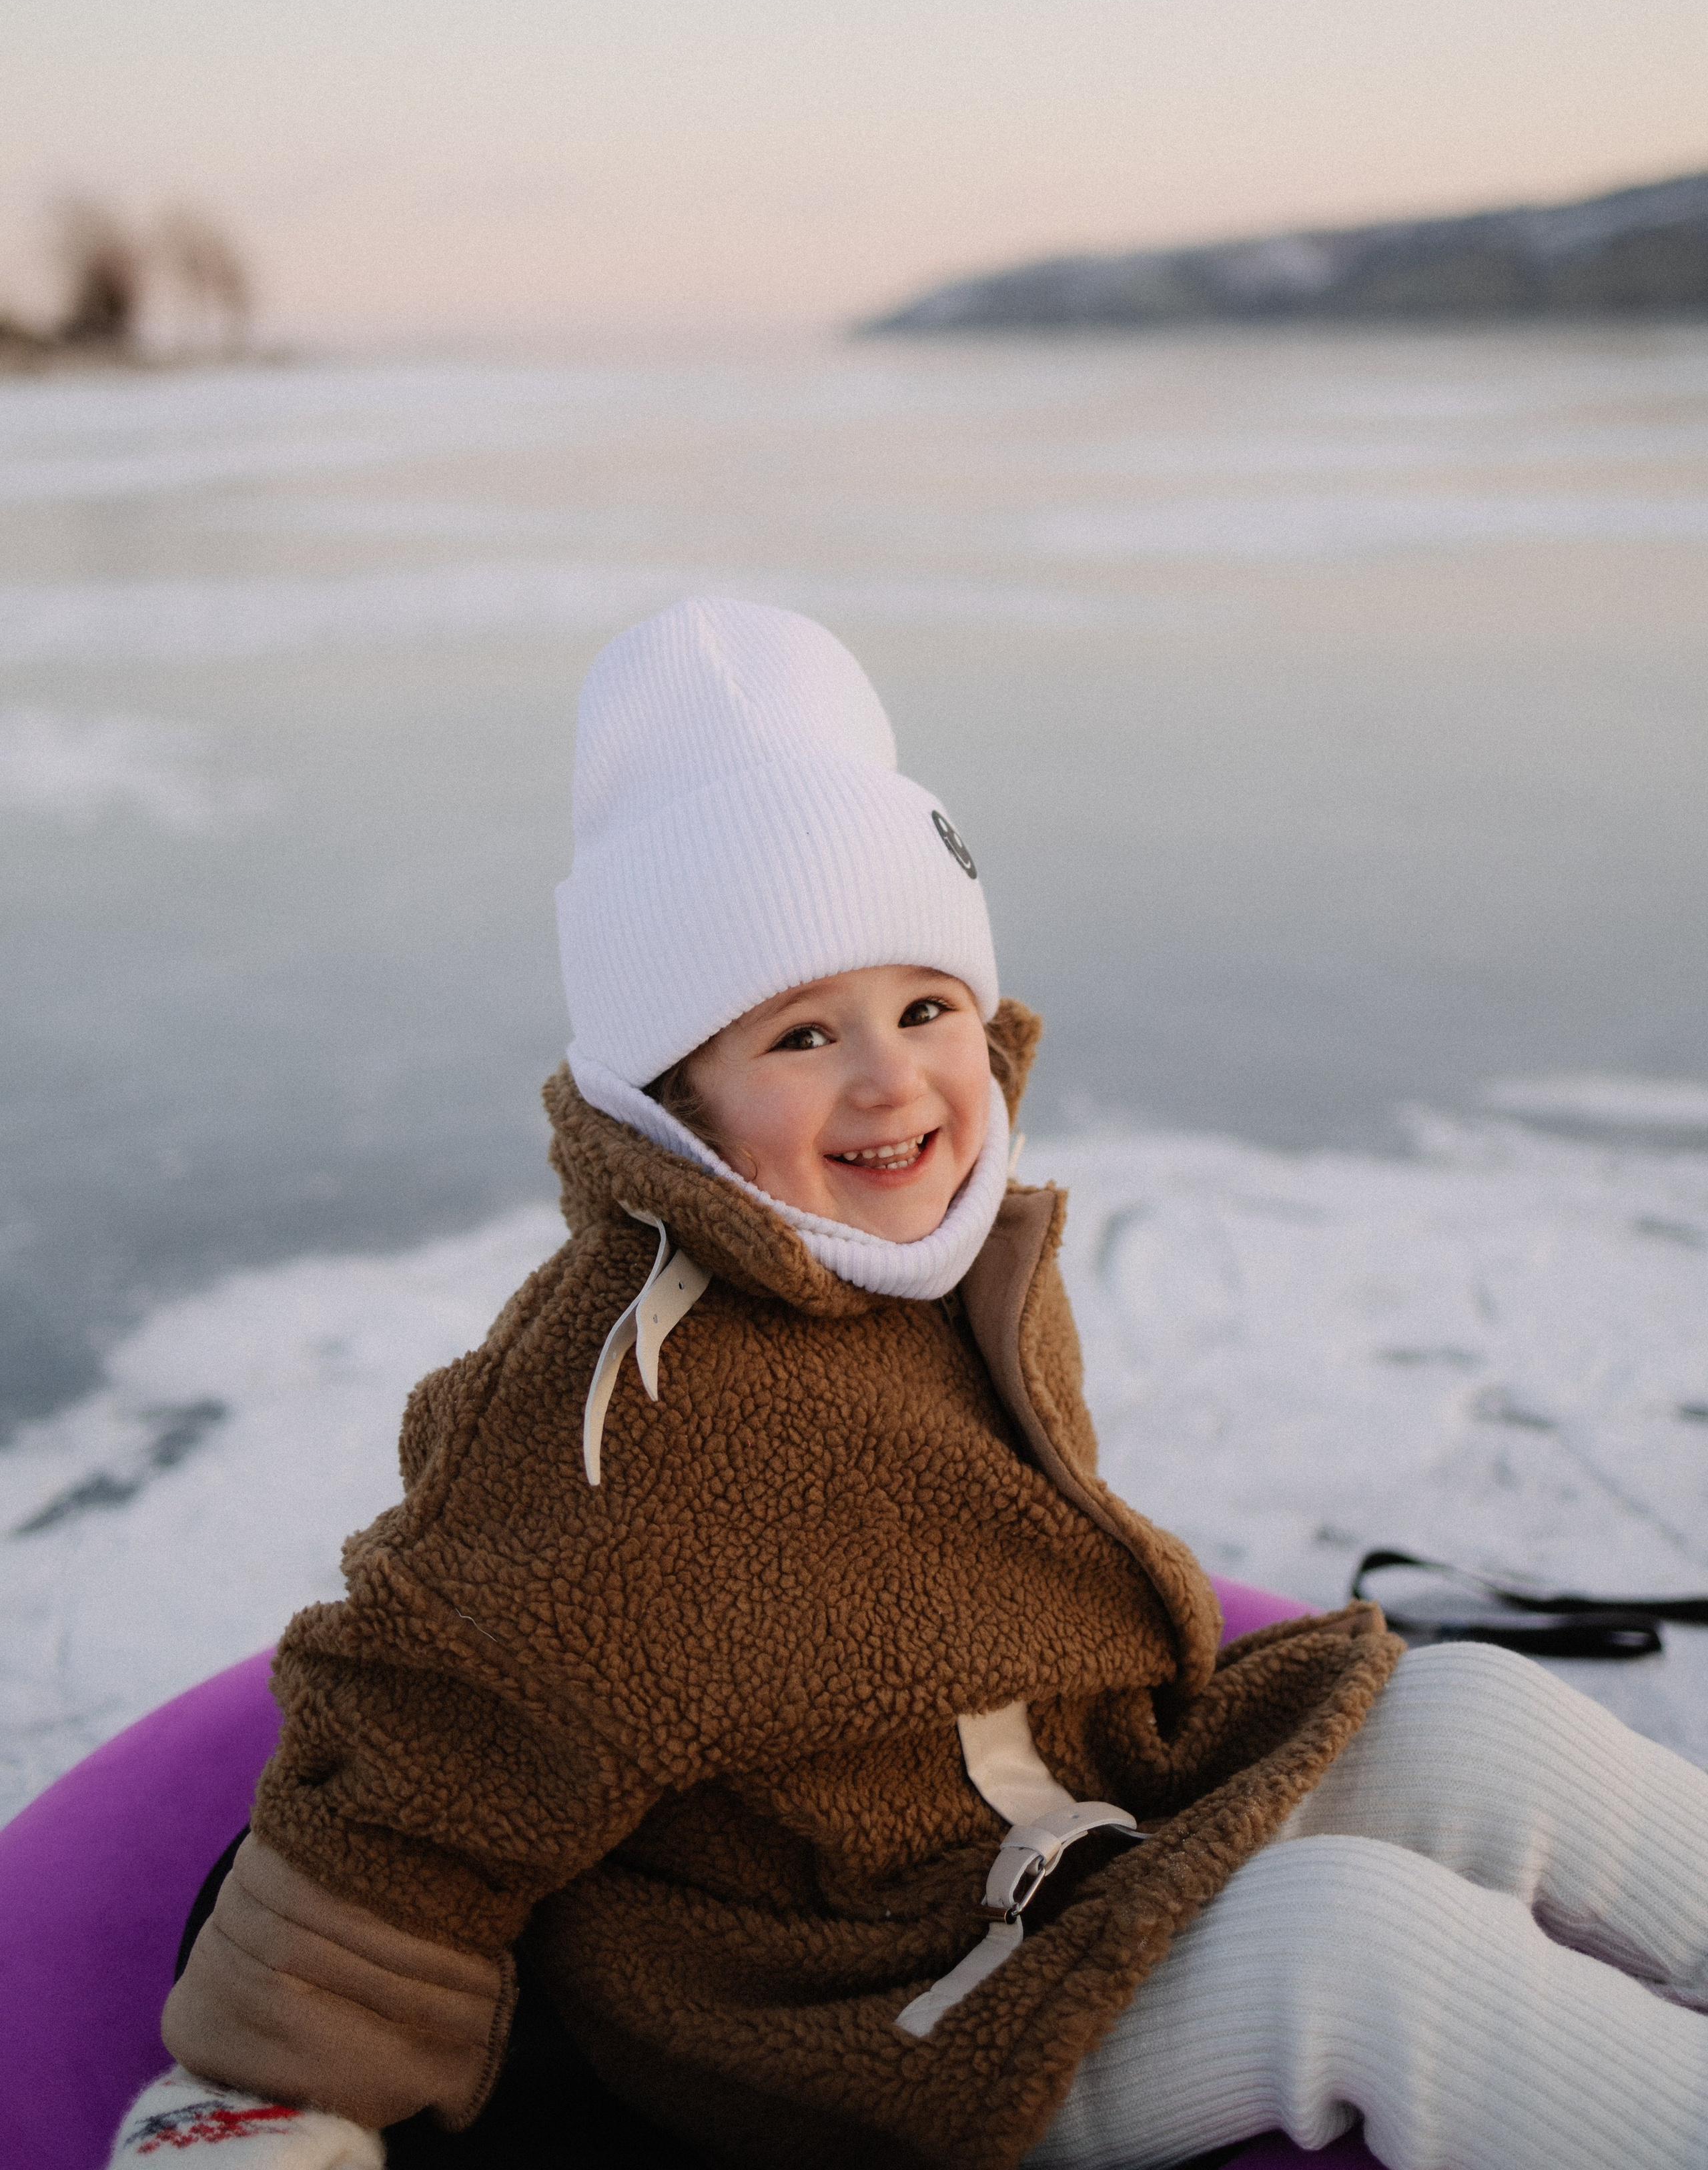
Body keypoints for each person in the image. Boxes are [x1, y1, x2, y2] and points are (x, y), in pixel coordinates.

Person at [110, 601, 1708, 2170]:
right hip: (867, 1994)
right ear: (675, 1098)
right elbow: (426, 1741)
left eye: (924, 1005)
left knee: (1474, 1713)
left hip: (1083, 1814)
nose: (891, 1081)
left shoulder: (963, 1254)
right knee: (1353, 1947)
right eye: (802, 1034)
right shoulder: (605, 1414)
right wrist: (275, 2083)